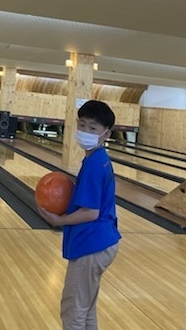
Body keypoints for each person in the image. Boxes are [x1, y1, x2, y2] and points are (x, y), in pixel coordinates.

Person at [39, 100, 121, 330]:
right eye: (82, 124)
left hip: (92, 244)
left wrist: (59, 221)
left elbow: (91, 212)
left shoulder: (94, 165)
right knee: (85, 307)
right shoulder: (98, 159)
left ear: (106, 134)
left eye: (92, 128)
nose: (85, 131)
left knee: (73, 309)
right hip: (101, 241)